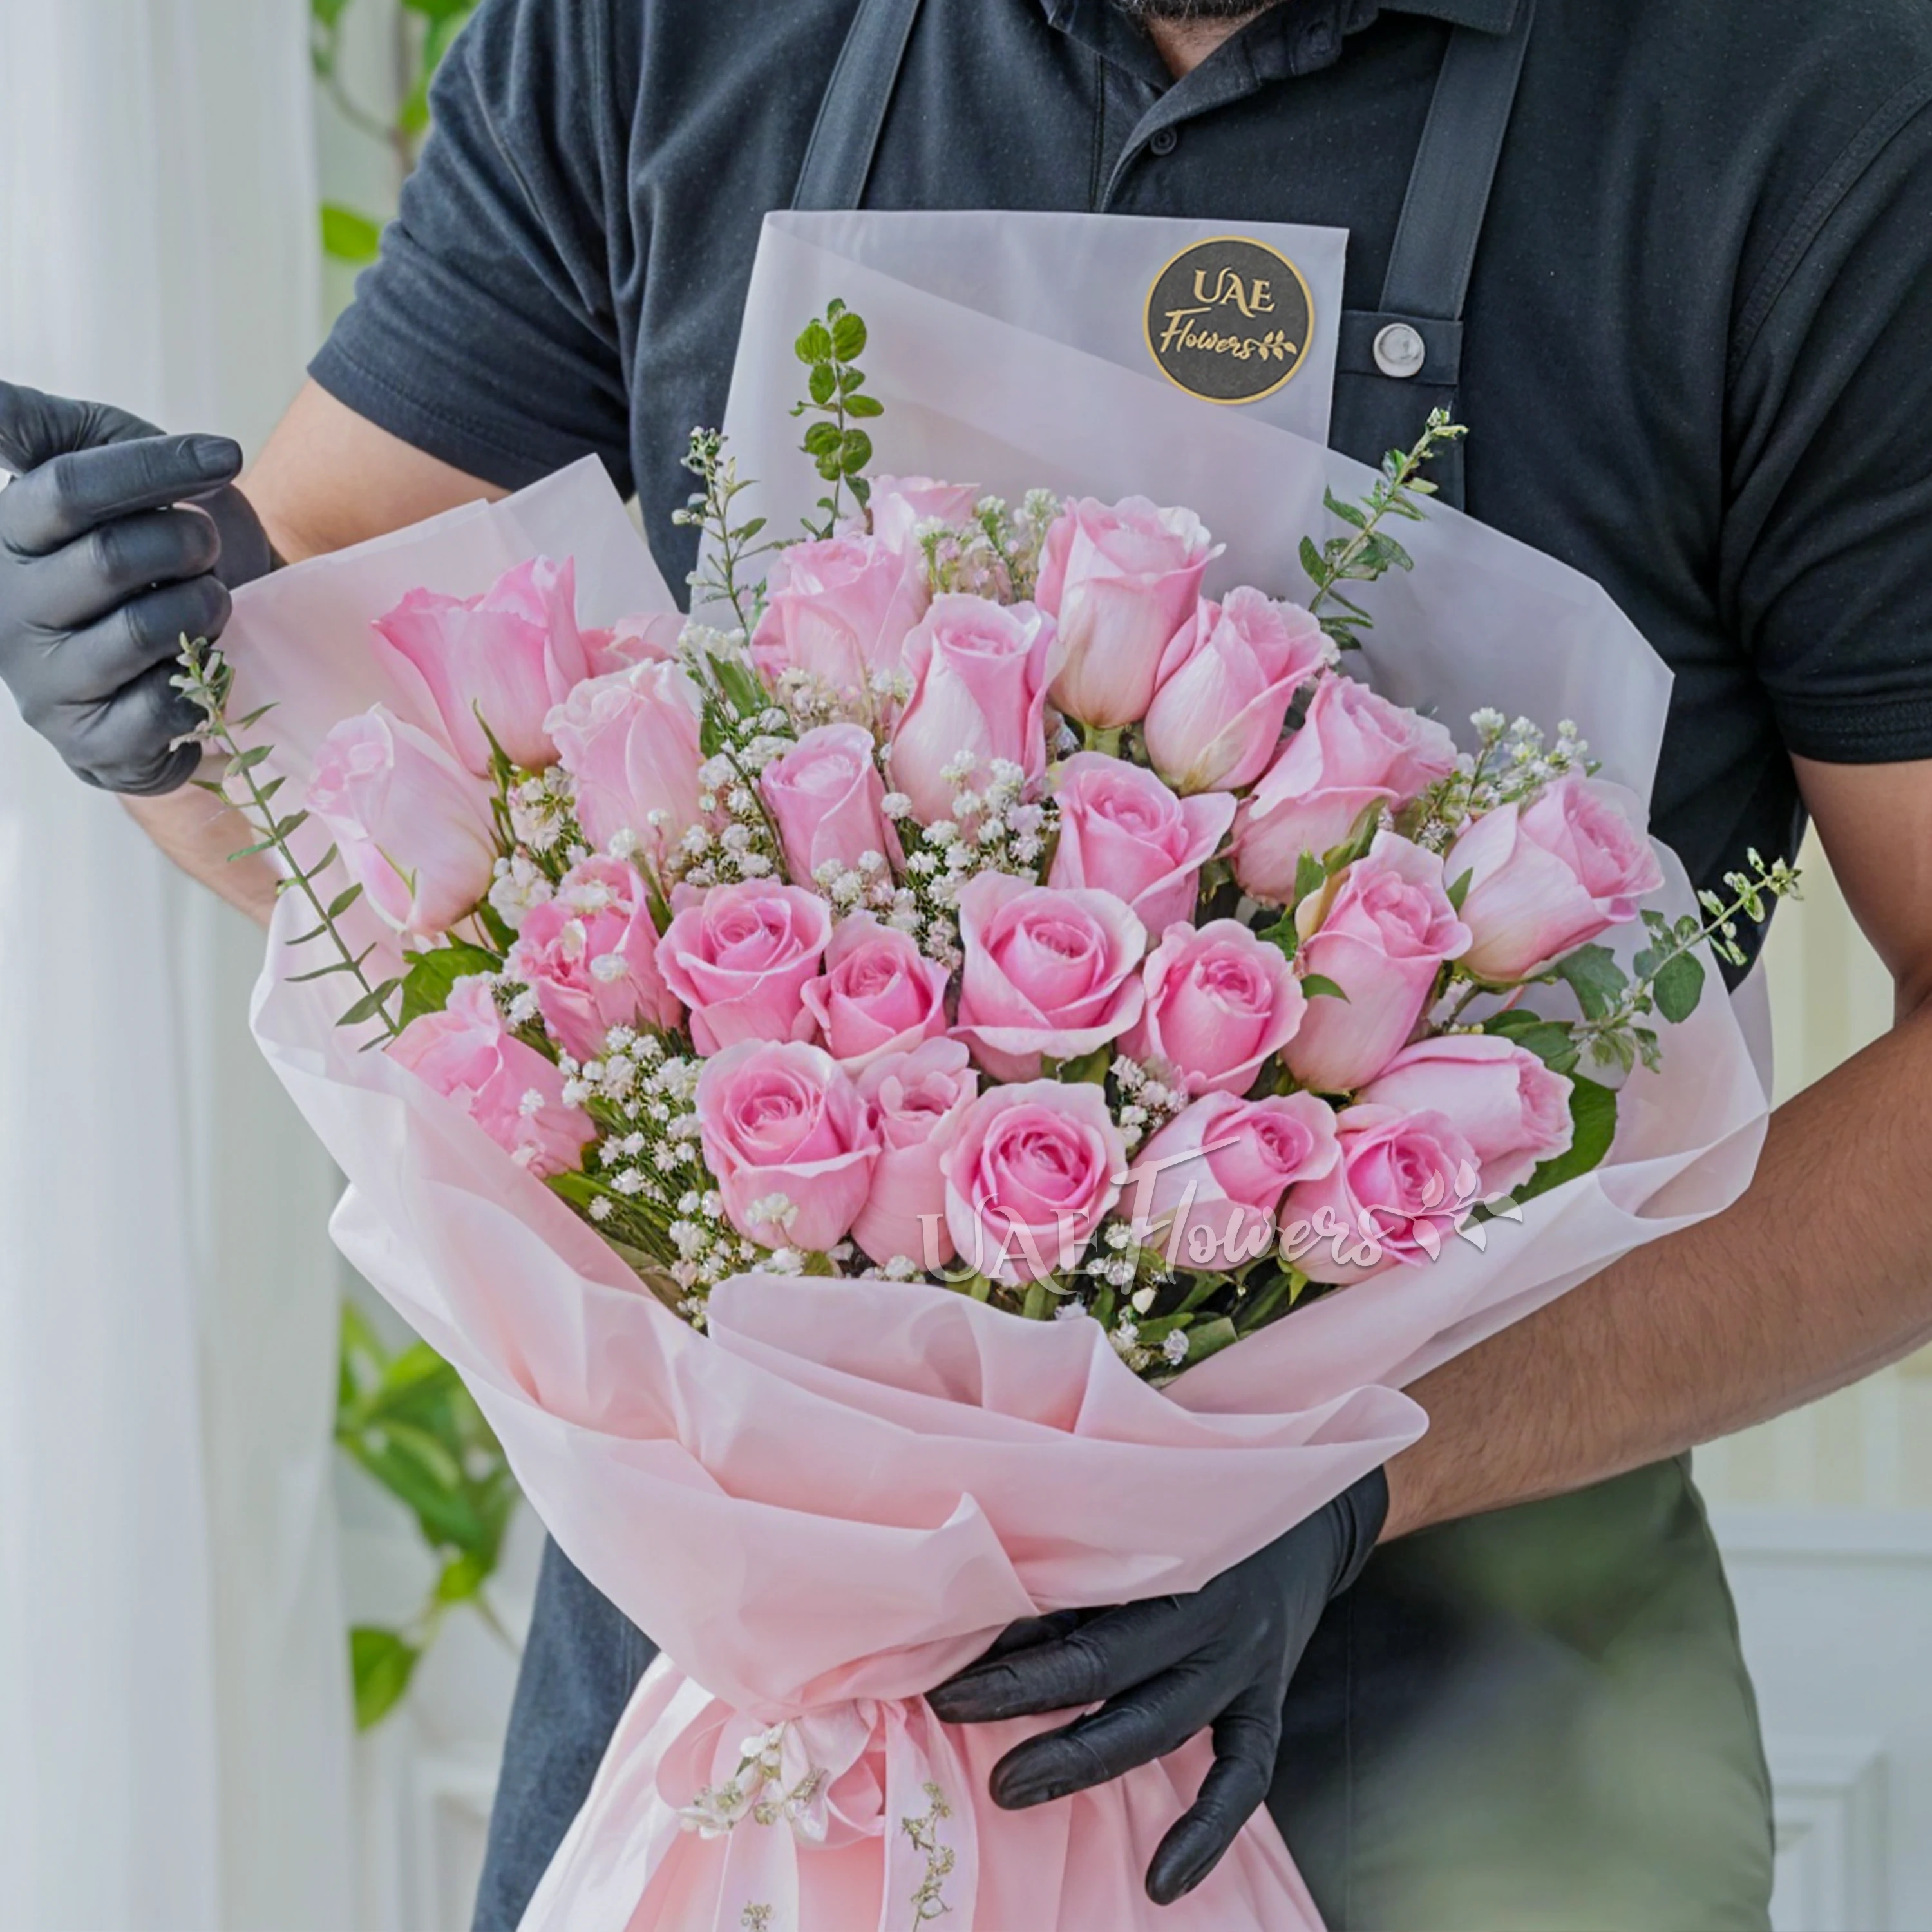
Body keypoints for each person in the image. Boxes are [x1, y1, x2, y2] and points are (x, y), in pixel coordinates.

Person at [4, 0, 1931, 1922]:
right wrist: (164, 694)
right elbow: (342, 777)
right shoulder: (643, 36)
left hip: (1476, 1764)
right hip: (735, 1740)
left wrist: (1371, 1474)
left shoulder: (1800, 109)